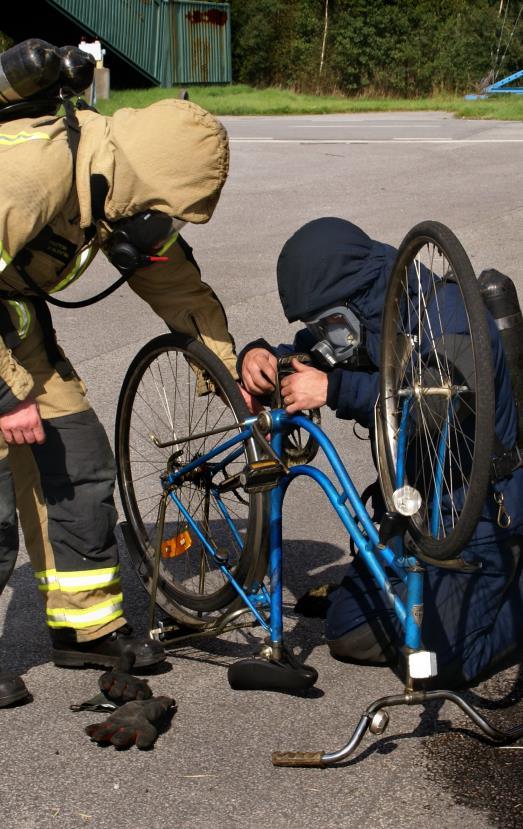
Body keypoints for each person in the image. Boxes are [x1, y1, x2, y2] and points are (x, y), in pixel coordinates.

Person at [0, 40, 236, 707]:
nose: (158, 228)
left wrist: (226, 376)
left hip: (9, 316)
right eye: (163, 211)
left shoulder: (106, 181)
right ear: (143, 179)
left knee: (75, 455)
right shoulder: (34, 171)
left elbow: (178, 286)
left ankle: (84, 628)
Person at [239, 216, 523, 689]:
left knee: (443, 666)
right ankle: (432, 599)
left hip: (479, 518)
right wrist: (258, 355)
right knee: (347, 632)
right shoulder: (359, 321)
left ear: (357, 293)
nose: (322, 333)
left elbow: (438, 405)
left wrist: (334, 388)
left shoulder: (448, 314)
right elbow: (302, 355)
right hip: (413, 513)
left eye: (325, 320)